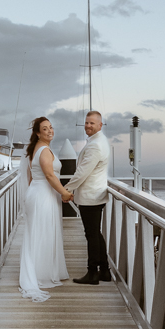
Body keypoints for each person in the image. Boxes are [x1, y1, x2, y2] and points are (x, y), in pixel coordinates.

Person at [19, 117, 72, 302]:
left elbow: (30, 177)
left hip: (38, 193)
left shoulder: (36, 150)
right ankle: (41, 274)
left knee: (39, 232)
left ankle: (44, 270)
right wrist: (64, 193)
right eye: (45, 129)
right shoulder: (44, 151)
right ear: (37, 133)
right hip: (43, 195)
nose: (50, 131)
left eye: (51, 127)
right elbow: (50, 175)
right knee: (44, 232)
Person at [65, 110, 111, 285]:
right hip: (96, 195)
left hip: (91, 196)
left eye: (92, 123)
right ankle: (105, 271)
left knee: (91, 235)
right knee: (95, 234)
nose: (88, 125)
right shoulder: (100, 141)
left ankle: (92, 273)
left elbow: (82, 172)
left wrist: (66, 189)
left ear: (100, 125)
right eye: (86, 122)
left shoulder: (95, 145)